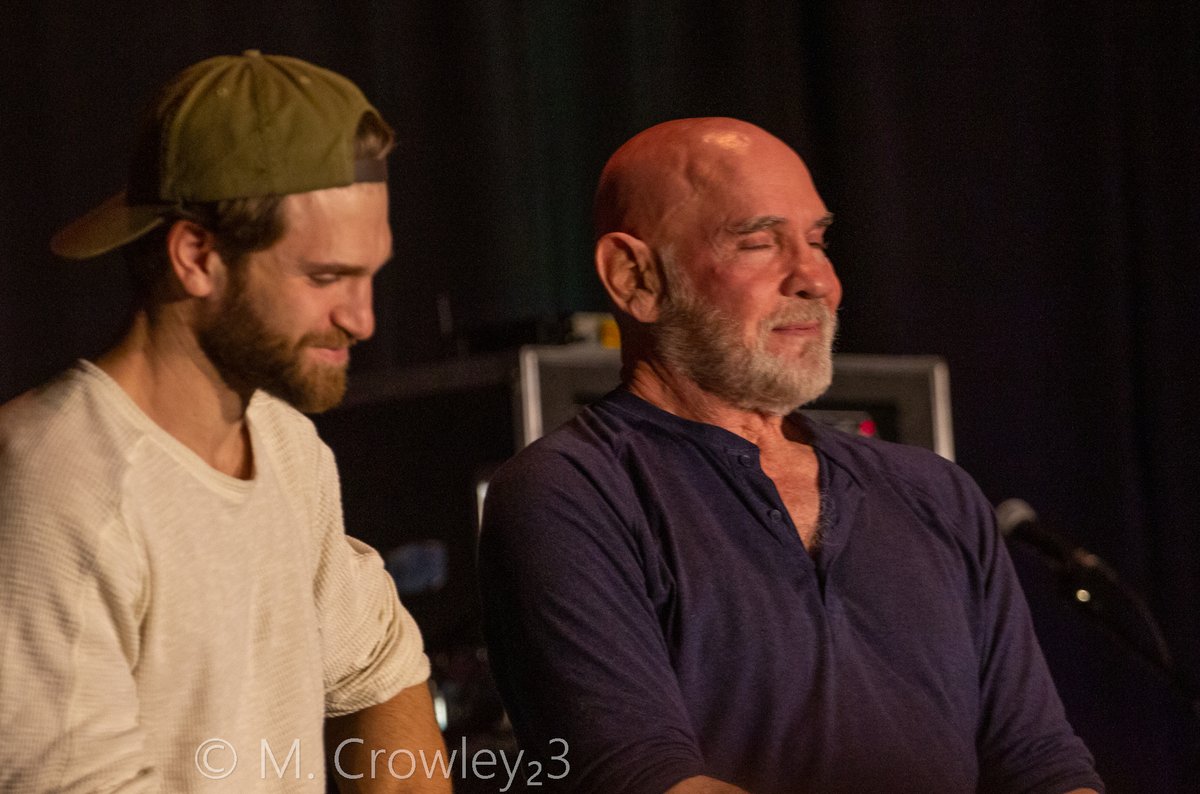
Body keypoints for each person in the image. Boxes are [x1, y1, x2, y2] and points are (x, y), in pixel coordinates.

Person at [478, 117, 1104, 794]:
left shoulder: (939, 496)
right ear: (636, 277)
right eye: (759, 243)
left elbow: (1042, 766)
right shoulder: (570, 495)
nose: (817, 281)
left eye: (817, 240)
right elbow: (641, 779)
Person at [0, 52, 449, 792]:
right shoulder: (57, 483)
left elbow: (380, 667)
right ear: (197, 256)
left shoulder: (287, 447)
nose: (363, 319)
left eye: (373, 274)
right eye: (326, 277)